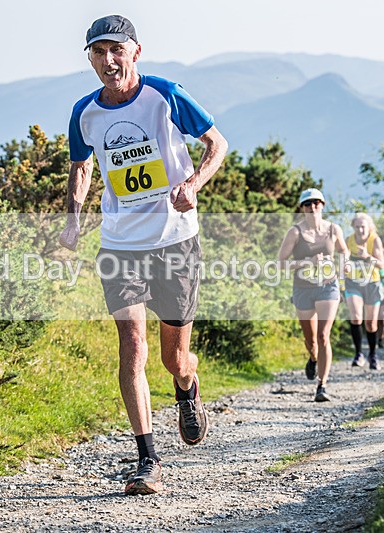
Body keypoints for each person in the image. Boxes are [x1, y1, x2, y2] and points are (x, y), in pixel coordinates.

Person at [59, 15, 228, 496]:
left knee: (175, 357)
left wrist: (193, 184)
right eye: (98, 53)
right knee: (132, 344)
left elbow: (217, 144)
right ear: (90, 58)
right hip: (119, 243)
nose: (108, 61)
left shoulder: (165, 93)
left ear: (136, 51)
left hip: (175, 238)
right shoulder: (84, 111)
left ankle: (186, 388)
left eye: (117, 50)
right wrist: (74, 217)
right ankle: (147, 459)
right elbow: (81, 165)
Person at [277, 188, 349, 402]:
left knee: (323, 335)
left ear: (323, 205)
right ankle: (312, 357)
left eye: (317, 203)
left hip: (328, 286)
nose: (312, 207)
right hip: (303, 288)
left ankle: (322, 385)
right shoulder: (295, 232)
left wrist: (343, 266)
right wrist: (307, 262)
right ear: (302, 208)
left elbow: (344, 251)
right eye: (308, 204)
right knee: (311, 340)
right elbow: (280, 263)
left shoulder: (334, 229)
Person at [344, 213, 384, 370]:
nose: (360, 230)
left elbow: (381, 264)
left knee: (371, 323)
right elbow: (344, 258)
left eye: (363, 227)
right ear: (353, 227)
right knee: (356, 318)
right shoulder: (349, 241)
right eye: (357, 227)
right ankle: (358, 353)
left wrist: (367, 257)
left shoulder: (375, 240)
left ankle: (373, 355)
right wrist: (346, 264)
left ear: (369, 227)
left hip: (372, 283)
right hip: (353, 282)